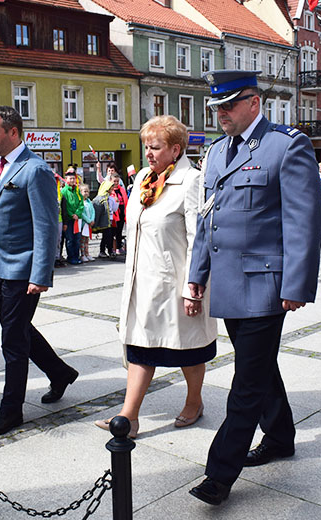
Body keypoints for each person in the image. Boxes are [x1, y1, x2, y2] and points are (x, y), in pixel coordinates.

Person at [187, 70, 321, 505]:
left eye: (228, 105)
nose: (221, 114)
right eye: (216, 108)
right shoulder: (215, 153)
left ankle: (219, 473)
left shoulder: (286, 146)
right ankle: (280, 435)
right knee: (259, 365)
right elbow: (209, 222)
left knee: (246, 381)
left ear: (254, 102)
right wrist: (197, 275)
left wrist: (297, 283)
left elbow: (304, 221)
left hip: (266, 284)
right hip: (229, 284)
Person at [94, 115, 218, 439]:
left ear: (176, 149)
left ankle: (194, 401)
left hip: (174, 282)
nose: (148, 153)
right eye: (145, 146)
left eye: (155, 146)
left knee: (188, 349)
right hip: (141, 281)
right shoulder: (142, 181)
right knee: (140, 348)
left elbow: (198, 237)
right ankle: (129, 415)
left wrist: (195, 287)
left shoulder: (191, 181)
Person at [0, 106, 78, 437]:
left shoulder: (36, 170)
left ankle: (11, 410)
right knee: (16, 329)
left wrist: (40, 274)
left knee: (12, 339)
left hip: (23, 268)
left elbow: (48, 225)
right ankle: (59, 372)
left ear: (13, 132)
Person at [60, 169, 83, 265]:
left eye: (74, 178)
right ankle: (71, 257)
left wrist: (77, 213)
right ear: (66, 179)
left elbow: (81, 203)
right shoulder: (64, 191)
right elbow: (65, 206)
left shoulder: (77, 190)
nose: (73, 180)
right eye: (71, 178)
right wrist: (71, 215)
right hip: (69, 219)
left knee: (77, 239)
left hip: (77, 219)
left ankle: (76, 256)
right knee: (69, 239)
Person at [78, 184, 94, 262]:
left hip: (89, 224)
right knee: (82, 240)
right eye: (84, 191)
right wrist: (88, 220)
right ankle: (82, 254)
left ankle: (87, 253)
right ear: (80, 192)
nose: (86, 193)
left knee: (87, 240)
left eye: (87, 191)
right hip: (84, 224)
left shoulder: (89, 201)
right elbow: (82, 213)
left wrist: (92, 219)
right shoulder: (80, 202)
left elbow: (93, 211)